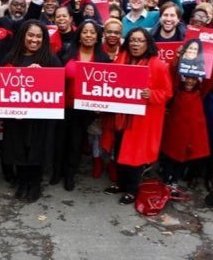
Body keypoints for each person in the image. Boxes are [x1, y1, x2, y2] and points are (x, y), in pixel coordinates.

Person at [101, 27, 172, 205]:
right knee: (118, 152)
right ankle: (120, 184)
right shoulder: (120, 60)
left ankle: (132, 190)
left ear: (148, 43)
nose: (135, 44)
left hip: (140, 120)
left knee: (134, 156)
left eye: (140, 40)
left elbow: (167, 92)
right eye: (132, 40)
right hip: (119, 117)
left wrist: (152, 94)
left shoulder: (158, 65)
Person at [0, 20, 62, 202]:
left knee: (37, 150)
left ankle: (34, 184)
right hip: (16, 118)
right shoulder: (10, 58)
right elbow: (3, 86)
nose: (34, 40)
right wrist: (24, 73)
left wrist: (42, 74)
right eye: (30, 35)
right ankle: (22, 181)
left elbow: (59, 86)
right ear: (23, 36)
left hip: (41, 119)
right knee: (18, 149)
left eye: (38, 36)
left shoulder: (51, 59)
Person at [52, 20, 110, 190]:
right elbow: (54, 76)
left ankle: (70, 174)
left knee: (76, 143)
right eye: (85, 32)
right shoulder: (66, 53)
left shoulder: (103, 58)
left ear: (98, 36)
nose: (88, 35)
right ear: (79, 35)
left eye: (92, 32)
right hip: (63, 107)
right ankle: (56, 171)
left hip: (85, 111)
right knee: (59, 141)